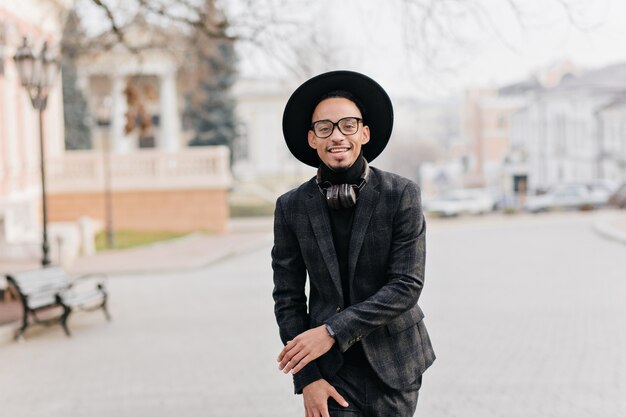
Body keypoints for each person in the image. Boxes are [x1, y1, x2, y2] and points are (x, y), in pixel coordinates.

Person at [272, 70, 435, 417]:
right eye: (325, 127)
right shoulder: (290, 207)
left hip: (395, 365)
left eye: (347, 125)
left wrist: (332, 330)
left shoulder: (401, 194)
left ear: (364, 132)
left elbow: (407, 285)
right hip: (330, 371)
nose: (337, 136)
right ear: (312, 139)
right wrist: (308, 378)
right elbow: (287, 298)